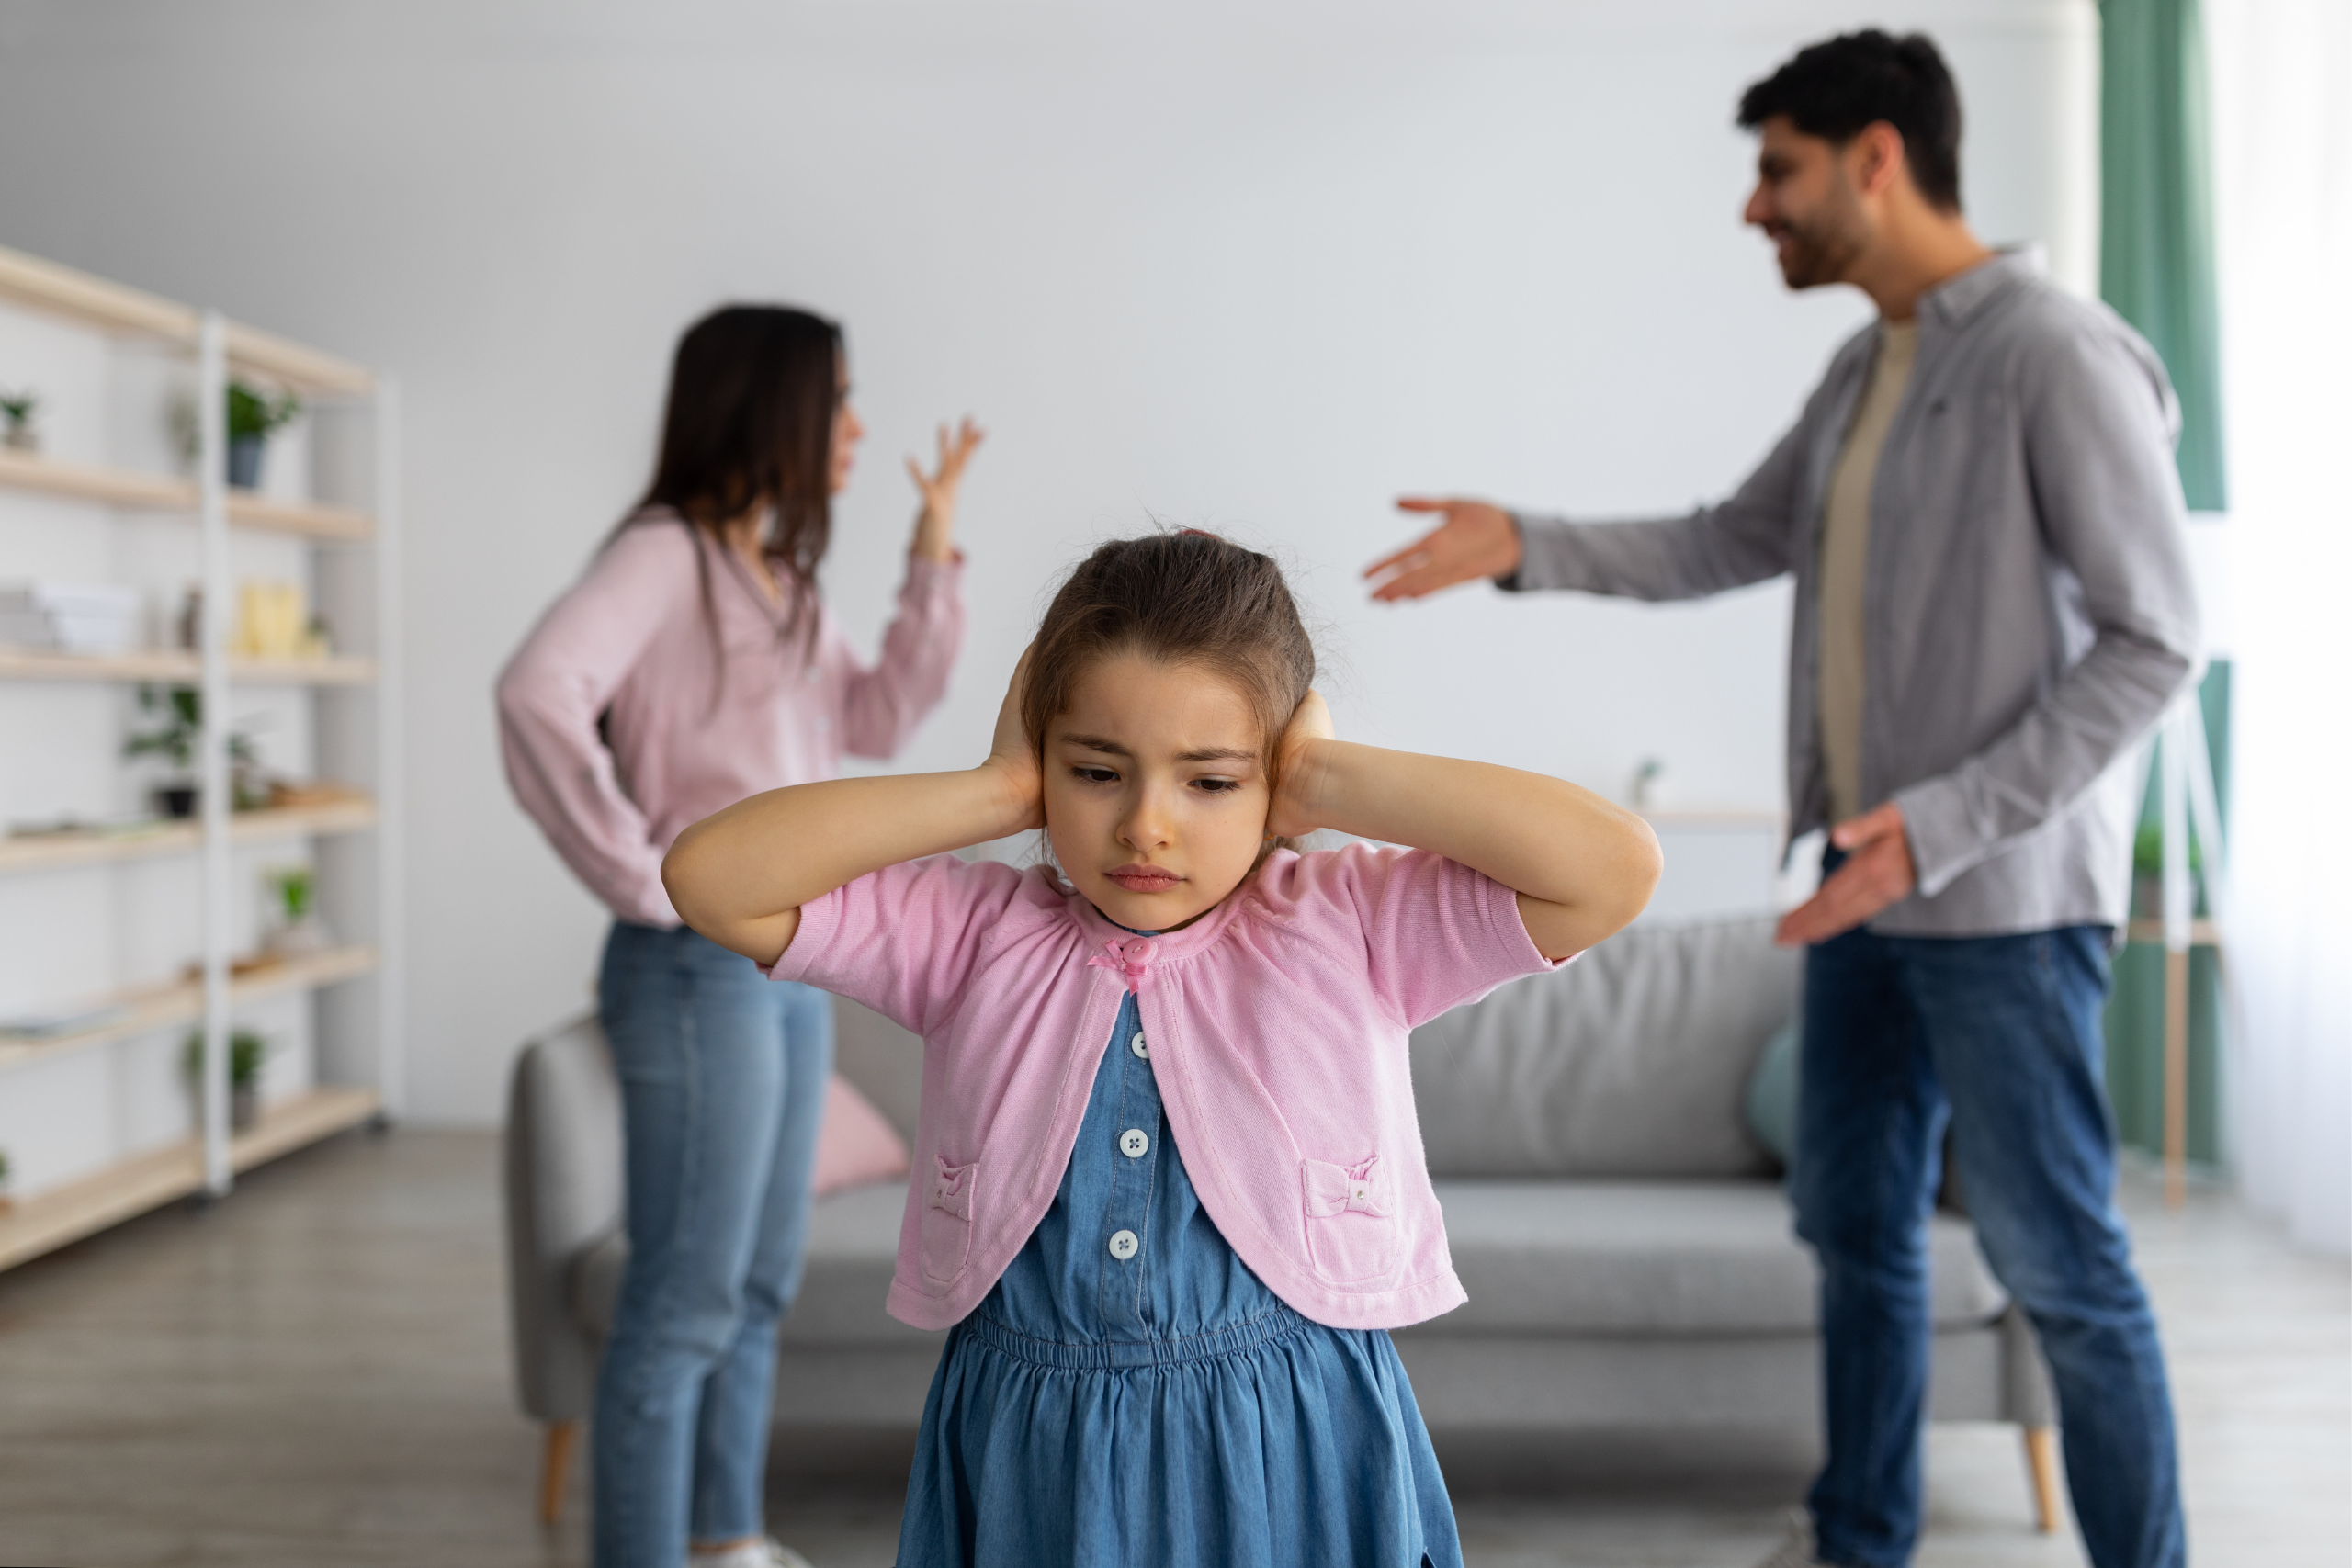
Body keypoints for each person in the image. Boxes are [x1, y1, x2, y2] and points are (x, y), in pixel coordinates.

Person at [1363, 29, 2198, 1568]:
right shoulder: (1869, 364)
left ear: (1877, 158)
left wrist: (1937, 827)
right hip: (1855, 897)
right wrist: (1526, 542)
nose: (1758, 208)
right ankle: (1859, 1537)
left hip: (1996, 907)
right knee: (1857, 1237)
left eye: (1780, 170)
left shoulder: (2056, 354)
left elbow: (2160, 641)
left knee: (2063, 1262)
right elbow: (1726, 538)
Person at [661, 530, 1663, 1567]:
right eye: (1096, 771)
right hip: (1030, 1451)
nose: (1147, 825)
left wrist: (1322, 776)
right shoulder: (969, 939)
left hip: (1292, 1442)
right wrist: (997, 789)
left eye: (1211, 783)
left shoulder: (1349, 926)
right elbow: (711, 878)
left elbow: (1613, 868)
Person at [497, 303, 982, 1568]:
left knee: (755, 1281)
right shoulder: (661, 555)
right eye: (841, 400)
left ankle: (725, 1538)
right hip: (694, 967)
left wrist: (933, 558)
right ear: (769, 407)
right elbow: (536, 691)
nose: (859, 428)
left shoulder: (779, 576)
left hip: (785, 962)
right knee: (684, 1293)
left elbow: (873, 717)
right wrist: (644, 875)